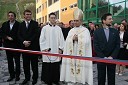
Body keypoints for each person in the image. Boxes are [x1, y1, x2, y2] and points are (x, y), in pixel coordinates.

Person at [60, 8, 93, 85]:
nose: (75, 22)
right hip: (72, 54)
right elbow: (67, 42)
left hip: (81, 55)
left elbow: (87, 42)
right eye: (74, 20)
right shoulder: (71, 31)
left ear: (81, 21)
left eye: (77, 20)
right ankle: (71, 80)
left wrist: (79, 39)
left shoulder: (85, 31)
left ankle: (81, 80)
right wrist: (72, 39)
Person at [93, 13, 120, 85]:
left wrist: (112, 56)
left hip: (112, 59)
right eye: (110, 19)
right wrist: (103, 57)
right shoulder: (97, 32)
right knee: (101, 78)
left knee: (111, 79)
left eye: (112, 18)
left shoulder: (115, 32)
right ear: (104, 21)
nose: (112, 20)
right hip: (101, 59)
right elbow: (96, 46)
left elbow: (117, 45)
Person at [39, 12, 64, 85]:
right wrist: (45, 48)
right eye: (51, 18)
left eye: (54, 18)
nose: (53, 19)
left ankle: (56, 80)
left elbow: (62, 39)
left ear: (56, 19)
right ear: (49, 19)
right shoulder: (44, 28)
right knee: (47, 66)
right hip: (48, 50)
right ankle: (47, 80)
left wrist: (61, 48)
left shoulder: (59, 28)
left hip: (56, 50)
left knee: (56, 66)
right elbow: (42, 39)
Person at [18, 9, 39, 85]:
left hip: (33, 47)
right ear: (24, 15)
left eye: (30, 14)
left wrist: (29, 41)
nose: (28, 16)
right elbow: (19, 35)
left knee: (34, 65)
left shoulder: (35, 23)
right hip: (24, 48)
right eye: (27, 14)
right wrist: (24, 42)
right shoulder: (21, 24)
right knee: (25, 65)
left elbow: (36, 34)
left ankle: (35, 78)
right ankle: (27, 78)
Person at [0, 11, 21, 82]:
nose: (10, 17)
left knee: (17, 62)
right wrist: (6, 37)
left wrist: (13, 38)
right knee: (10, 62)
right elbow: (1, 33)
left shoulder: (19, 24)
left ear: (15, 17)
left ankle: (17, 75)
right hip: (8, 46)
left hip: (16, 46)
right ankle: (11, 75)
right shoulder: (5, 24)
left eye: (12, 15)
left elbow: (20, 34)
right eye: (9, 16)